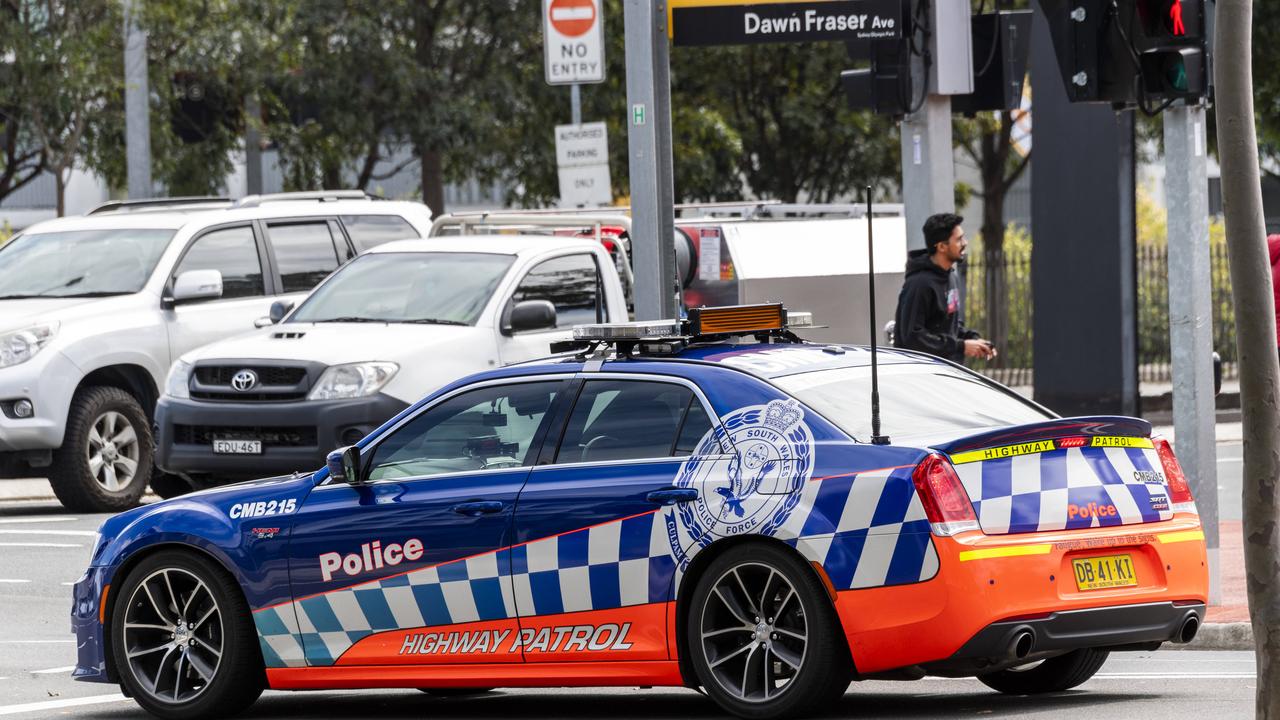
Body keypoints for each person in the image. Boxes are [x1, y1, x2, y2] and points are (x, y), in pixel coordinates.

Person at [893, 212, 996, 362]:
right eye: (959, 239)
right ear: (941, 246)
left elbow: (950, 327)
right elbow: (913, 338)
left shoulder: (950, 276)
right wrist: (960, 346)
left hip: (948, 373)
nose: (965, 243)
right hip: (924, 377)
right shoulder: (919, 284)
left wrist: (973, 339)